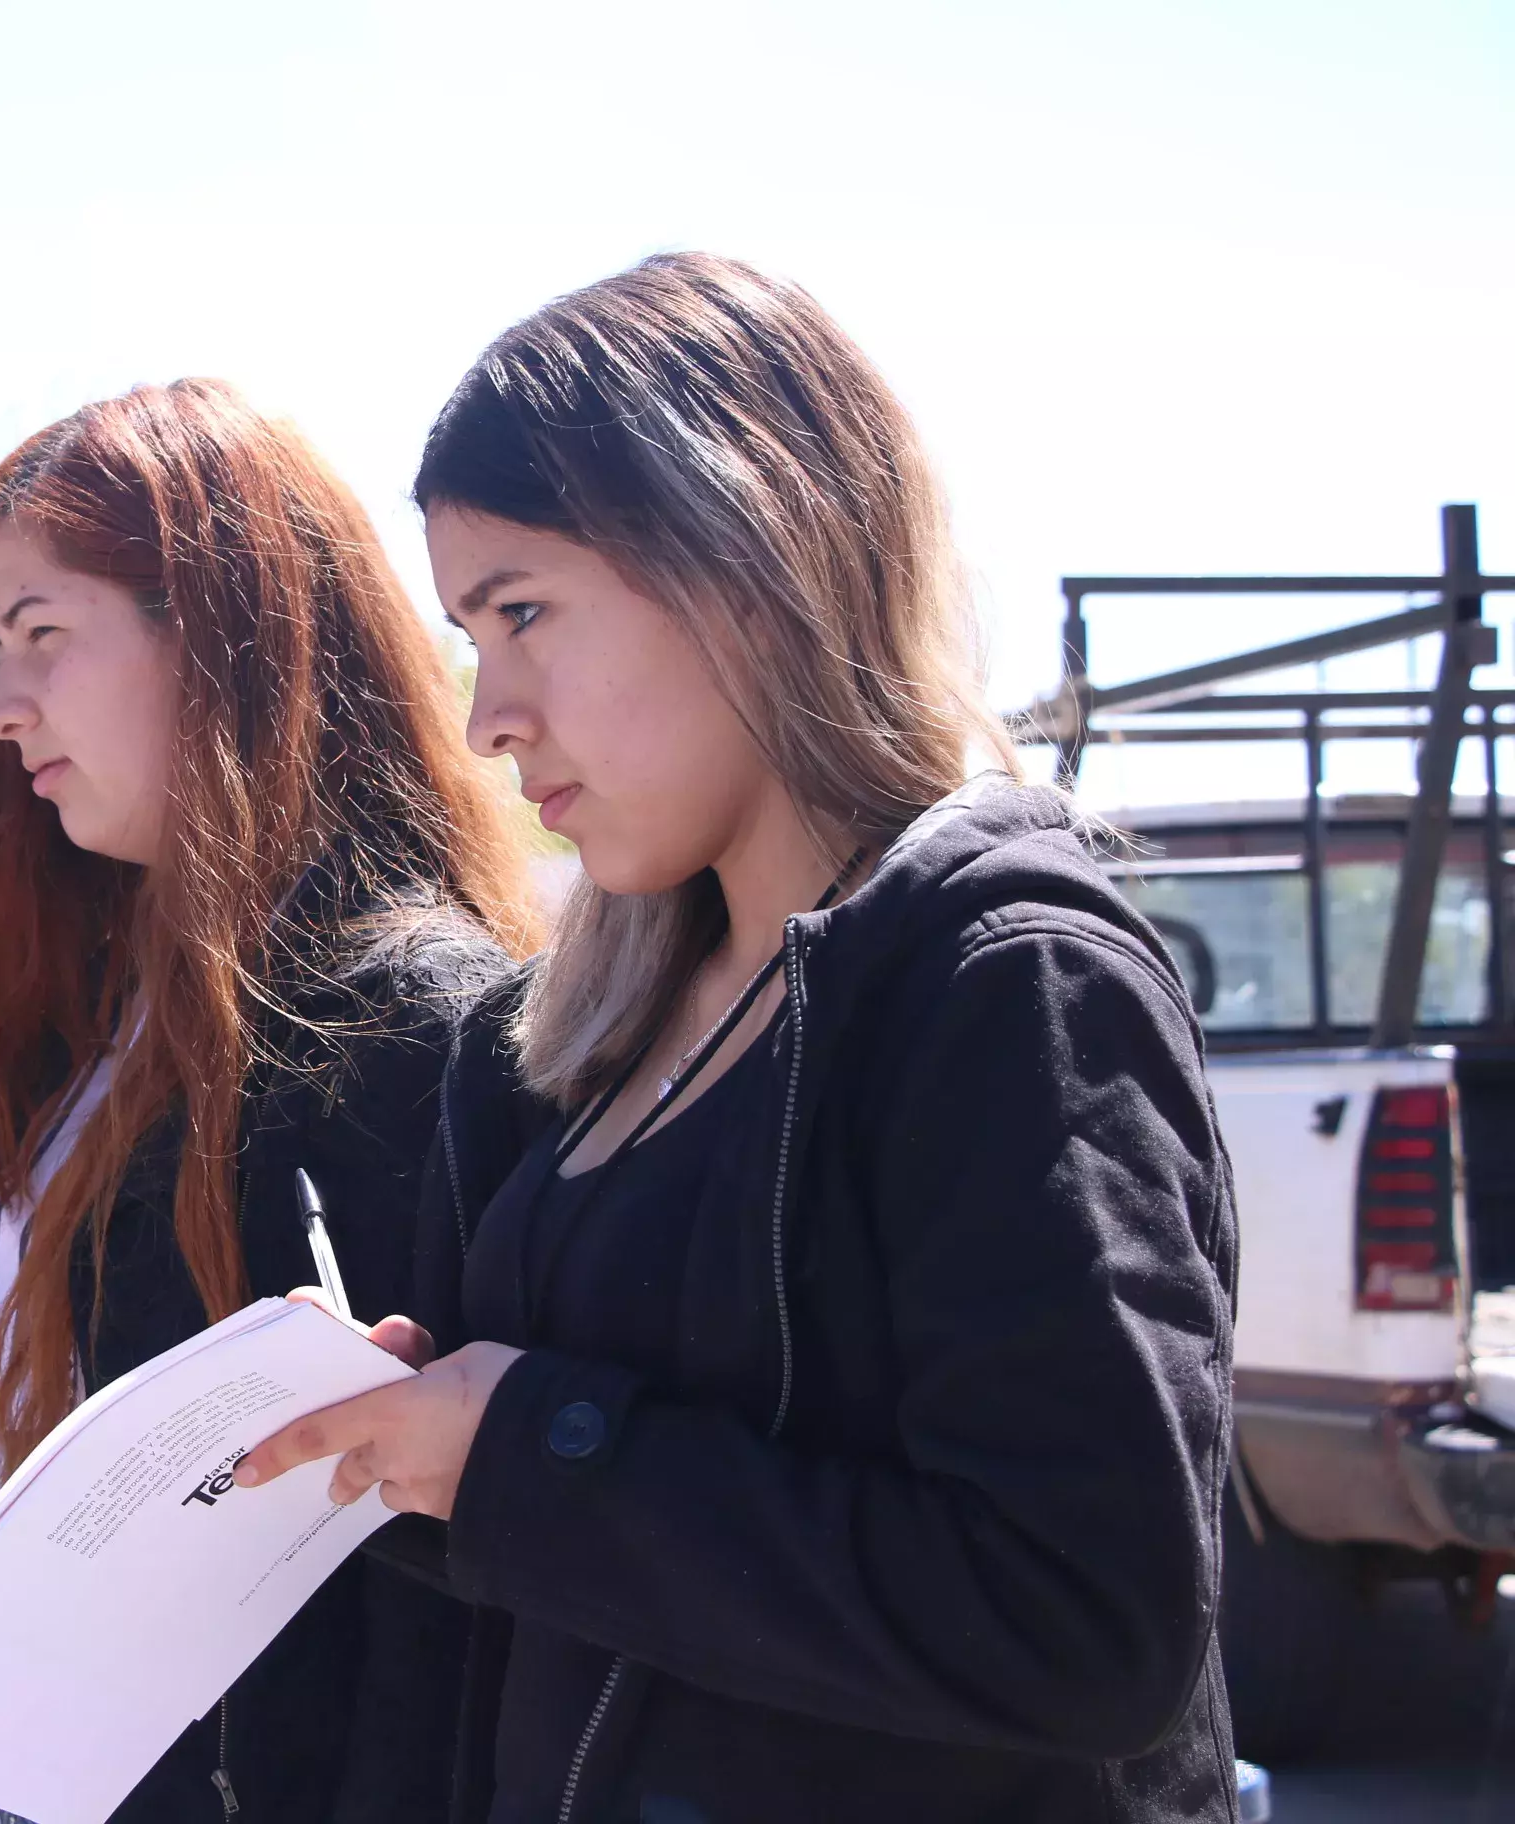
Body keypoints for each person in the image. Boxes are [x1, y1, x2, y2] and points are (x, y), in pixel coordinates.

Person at [238, 254, 1240, 1823]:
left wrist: (523, 1452)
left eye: (523, 611)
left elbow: (1085, 1621)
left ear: (746, 554)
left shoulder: (1003, 980)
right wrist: (428, 1446)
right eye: (466, 631)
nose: (487, 711)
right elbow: (647, 1584)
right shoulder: (568, 1033)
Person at [0, 379, 540, 1824]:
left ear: (230, 633)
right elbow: (92, 1531)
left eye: (40, 637)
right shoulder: (70, 1030)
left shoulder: (413, 1022)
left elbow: (434, 1628)